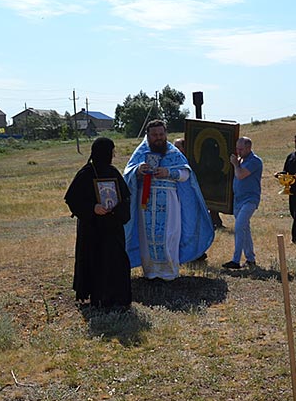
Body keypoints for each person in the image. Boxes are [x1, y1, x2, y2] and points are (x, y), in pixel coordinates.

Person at [123, 119, 214, 280]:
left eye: (161, 134)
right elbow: (127, 174)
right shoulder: (140, 152)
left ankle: (170, 272)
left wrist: (169, 173)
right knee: (147, 237)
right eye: (154, 135)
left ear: (166, 134)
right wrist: (138, 171)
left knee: (169, 235)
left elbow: (186, 174)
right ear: (148, 136)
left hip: (170, 202)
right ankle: (150, 273)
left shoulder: (173, 153)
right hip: (146, 202)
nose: (158, 138)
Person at [64, 137, 132, 309]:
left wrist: (115, 208)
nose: (113, 154)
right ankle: (97, 297)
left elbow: (125, 197)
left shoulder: (113, 172)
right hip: (92, 229)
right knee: (94, 260)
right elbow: (72, 199)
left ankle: (117, 297)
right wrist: (93, 208)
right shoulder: (86, 173)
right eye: (112, 151)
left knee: (115, 260)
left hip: (112, 227)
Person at [223, 137, 263, 269]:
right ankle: (250, 259)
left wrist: (235, 164)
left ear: (248, 148)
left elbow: (240, 175)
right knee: (245, 229)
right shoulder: (241, 160)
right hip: (238, 200)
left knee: (239, 226)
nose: (238, 151)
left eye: (241, 149)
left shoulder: (255, 161)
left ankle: (235, 260)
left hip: (250, 200)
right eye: (237, 148)